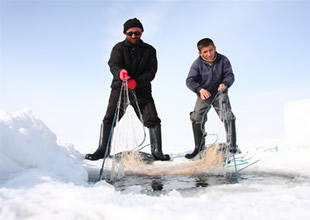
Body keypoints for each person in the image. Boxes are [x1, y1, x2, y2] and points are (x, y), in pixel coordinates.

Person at [85, 18, 170, 161]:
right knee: (110, 118)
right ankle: (102, 150)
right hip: (120, 89)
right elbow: (113, 64)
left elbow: (152, 72)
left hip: (142, 91)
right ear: (125, 33)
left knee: (153, 119)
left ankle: (157, 151)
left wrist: (136, 82)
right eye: (130, 33)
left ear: (142, 32)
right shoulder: (118, 48)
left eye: (137, 32)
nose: (134, 36)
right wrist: (120, 73)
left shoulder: (150, 50)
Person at [185, 38, 238, 159]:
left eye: (211, 50)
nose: (209, 54)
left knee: (227, 115)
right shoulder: (197, 63)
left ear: (214, 48)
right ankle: (199, 148)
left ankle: (233, 146)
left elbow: (230, 75)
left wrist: (225, 83)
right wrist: (199, 90)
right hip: (205, 93)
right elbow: (190, 80)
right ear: (200, 53)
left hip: (220, 92)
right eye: (205, 52)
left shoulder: (223, 60)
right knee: (196, 116)